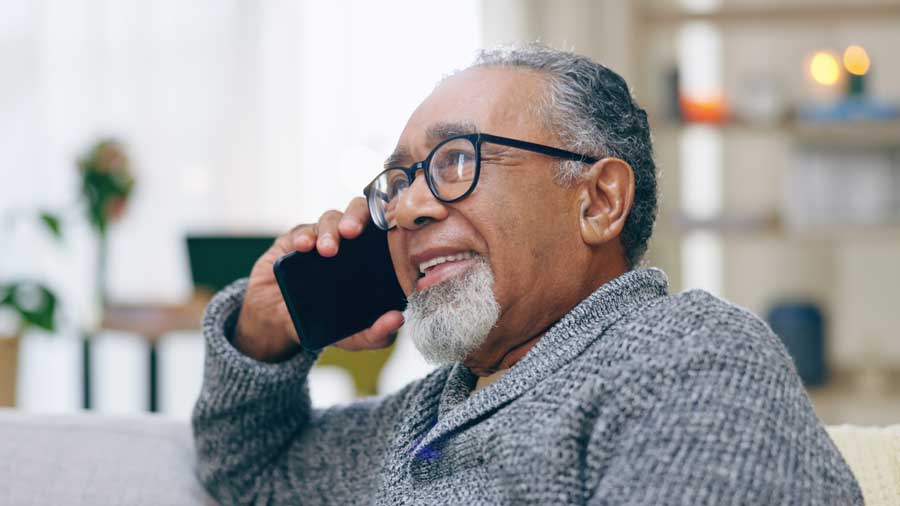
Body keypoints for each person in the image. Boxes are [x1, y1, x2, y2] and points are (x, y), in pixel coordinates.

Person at [192, 44, 862, 505]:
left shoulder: (693, 356)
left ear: (598, 202)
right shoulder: (424, 414)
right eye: (397, 180)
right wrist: (263, 333)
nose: (408, 207)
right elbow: (252, 475)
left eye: (456, 161)